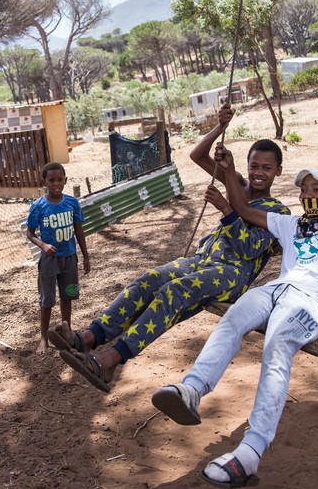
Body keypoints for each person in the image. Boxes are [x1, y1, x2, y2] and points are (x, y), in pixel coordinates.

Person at [151, 143, 318, 489]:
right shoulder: (290, 223)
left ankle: (251, 451)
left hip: (307, 302)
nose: (308, 194)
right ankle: (192, 390)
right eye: (304, 189)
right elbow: (243, 208)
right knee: (232, 319)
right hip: (275, 289)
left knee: (276, 347)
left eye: (317, 190)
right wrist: (229, 170)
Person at [52, 103, 289, 392]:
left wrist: (226, 209)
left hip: (232, 274)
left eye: (267, 168)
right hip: (204, 260)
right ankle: (88, 337)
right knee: (150, 279)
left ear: (278, 170)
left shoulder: (277, 211)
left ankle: (110, 361)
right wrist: (220, 128)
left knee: (174, 292)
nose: (259, 173)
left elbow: (248, 249)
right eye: (254, 165)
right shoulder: (236, 182)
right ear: (246, 165)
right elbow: (197, 155)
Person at [27, 162, 91, 354]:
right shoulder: (39, 206)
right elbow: (30, 234)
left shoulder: (72, 203)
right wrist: (43, 245)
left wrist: (85, 255)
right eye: (51, 180)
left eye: (59, 180)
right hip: (49, 260)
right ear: (44, 182)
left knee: (67, 296)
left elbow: (79, 230)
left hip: (69, 257)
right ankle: (44, 338)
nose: (56, 184)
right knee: (47, 300)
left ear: (65, 180)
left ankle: (67, 332)